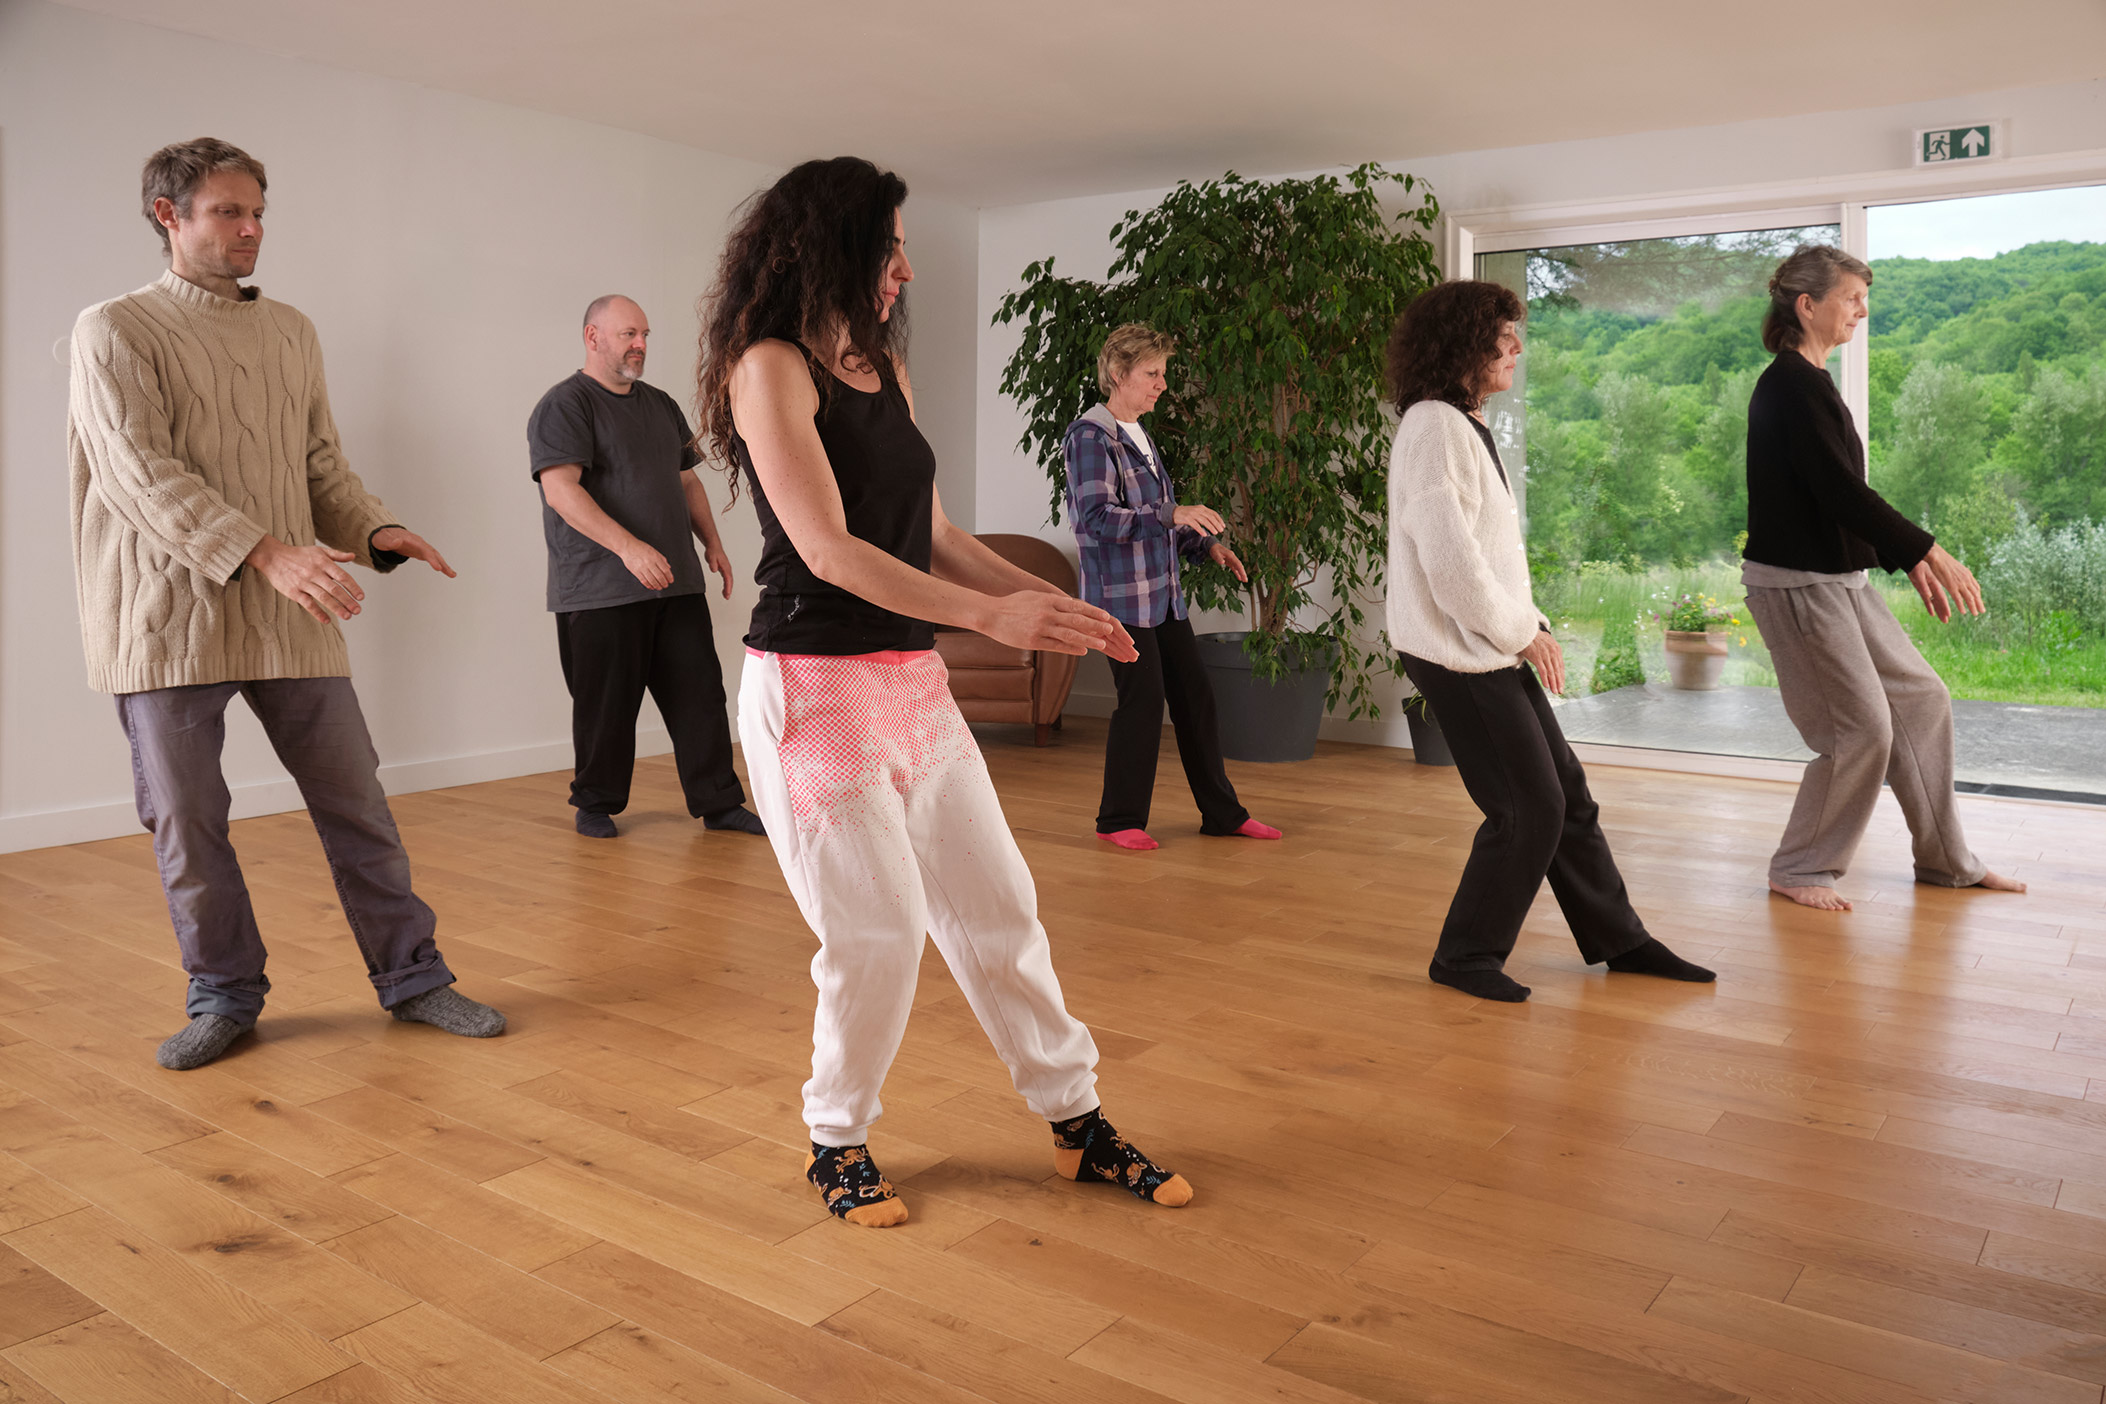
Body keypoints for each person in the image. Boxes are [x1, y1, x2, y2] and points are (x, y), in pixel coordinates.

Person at [697, 156, 1191, 1226]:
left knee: (998, 904)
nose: (905, 271)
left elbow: (932, 533)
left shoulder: (881, 368)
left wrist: (1046, 600)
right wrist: (991, 618)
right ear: (832, 247)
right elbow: (826, 550)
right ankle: (837, 1138)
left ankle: (1075, 1121)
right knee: (876, 928)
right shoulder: (770, 368)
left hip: (909, 687)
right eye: (892, 248)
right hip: (810, 692)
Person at [67, 139, 506, 1069]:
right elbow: (141, 475)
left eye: (258, 209)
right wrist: (265, 553)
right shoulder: (112, 330)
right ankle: (224, 994)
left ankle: (415, 978)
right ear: (167, 215)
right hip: (164, 621)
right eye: (227, 211)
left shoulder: (292, 331)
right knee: (190, 823)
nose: (251, 228)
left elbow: (316, 466)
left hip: (287, 606)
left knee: (358, 804)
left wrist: (376, 529)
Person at [1384, 280, 1715, 1003]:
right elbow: (1449, 563)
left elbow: (1485, 553)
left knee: (1565, 795)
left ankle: (1621, 939)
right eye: (1505, 338)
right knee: (1525, 809)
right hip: (1459, 650)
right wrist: (1519, 632)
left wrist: (1525, 625)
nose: (1517, 350)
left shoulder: (1462, 423)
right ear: (1465, 346)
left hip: (1488, 643)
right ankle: (1464, 956)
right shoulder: (1435, 426)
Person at [1742, 245, 2025, 910]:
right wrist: (1927, 552)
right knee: (1858, 729)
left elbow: (1836, 502)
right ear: (1807, 305)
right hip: (1796, 586)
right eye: (1851, 299)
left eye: (1863, 300)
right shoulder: (1787, 385)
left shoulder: (1812, 381)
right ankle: (1800, 866)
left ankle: (1948, 861)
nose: (1861, 312)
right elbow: (1840, 492)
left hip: (1840, 582)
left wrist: (1906, 559)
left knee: (1921, 699)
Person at [528, 295, 765, 840]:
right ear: (593, 337)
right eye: (627, 334)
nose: (639, 345)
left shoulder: (660, 404)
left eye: (645, 335)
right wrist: (628, 548)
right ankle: (596, 803)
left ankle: (719, 802)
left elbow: (686, 480)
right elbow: (560, 490)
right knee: (606, 707)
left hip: (675, 582)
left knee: (700, 694)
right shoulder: (565, 405)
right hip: (599, 588)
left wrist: (713, 545)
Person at [1062, 324, 1281, 851]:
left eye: (1164, 373)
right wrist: (1169, 511)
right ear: (1118, 374)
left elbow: (1158, 522)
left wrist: (1206, 546)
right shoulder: (1090, 435)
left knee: (1195, 700)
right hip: (1121, 601)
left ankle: (1222, 813)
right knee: (1143, 701)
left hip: (1163, 597)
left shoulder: (1141, 434)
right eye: (1152, 374)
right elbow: (1094, 518)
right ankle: (1118, 820)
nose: (1163, 384)